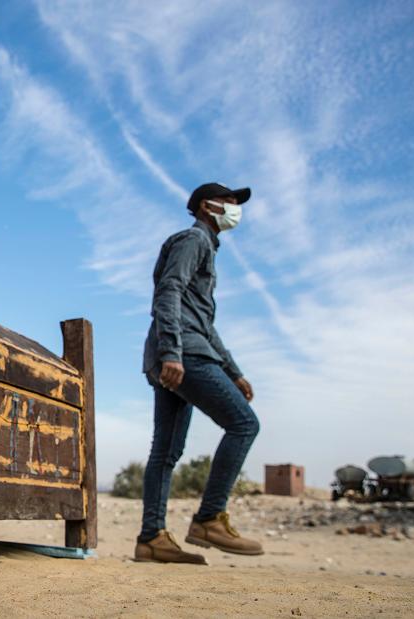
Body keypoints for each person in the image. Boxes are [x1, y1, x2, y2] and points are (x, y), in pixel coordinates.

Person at [134, 182, 264, 565]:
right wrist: (173, 351)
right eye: (230, 202)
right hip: (183, 353)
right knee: (243, 424)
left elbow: (205, 324)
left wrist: (233, 371)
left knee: (166, 451)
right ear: (207, 206)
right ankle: (209, 519)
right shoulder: (194, 240)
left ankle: (151, 539)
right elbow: (168, 292)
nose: (236, 208)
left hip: (177, 351)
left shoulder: (205, 246)